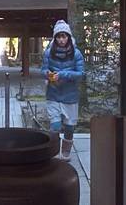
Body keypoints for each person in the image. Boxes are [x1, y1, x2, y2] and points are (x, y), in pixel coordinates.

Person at [41, 20, 84, 161]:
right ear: (55, 38)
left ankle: (65, 153)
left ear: (69, 37)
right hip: (53, 93)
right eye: (58, 36)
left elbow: (81, 74)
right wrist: (48, 74)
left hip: (70, 96)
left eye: (64, 36)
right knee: (55, 126)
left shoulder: (76, 54)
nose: (61, 40)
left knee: (69, 127)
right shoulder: (48, 53)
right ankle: (53, 153)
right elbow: (43, 70)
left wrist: (64, 74)